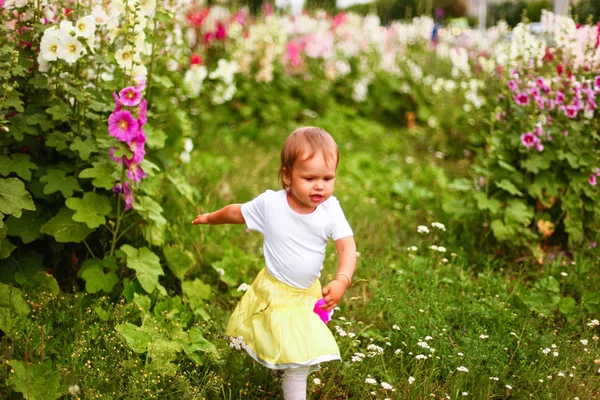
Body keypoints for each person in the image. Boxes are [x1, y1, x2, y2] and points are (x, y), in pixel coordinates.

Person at [192, 126, 357, 400]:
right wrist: (211, 217)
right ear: (287, 176)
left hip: (306, 294)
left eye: (327, 178)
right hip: (275, 292)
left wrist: (342, 279)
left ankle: (284, 366)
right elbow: (236, 213)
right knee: (296, 358)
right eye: (310, 177)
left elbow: (346, 246)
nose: (319, 185)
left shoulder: (330, 209)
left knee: (299, 356)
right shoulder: (271, 204)